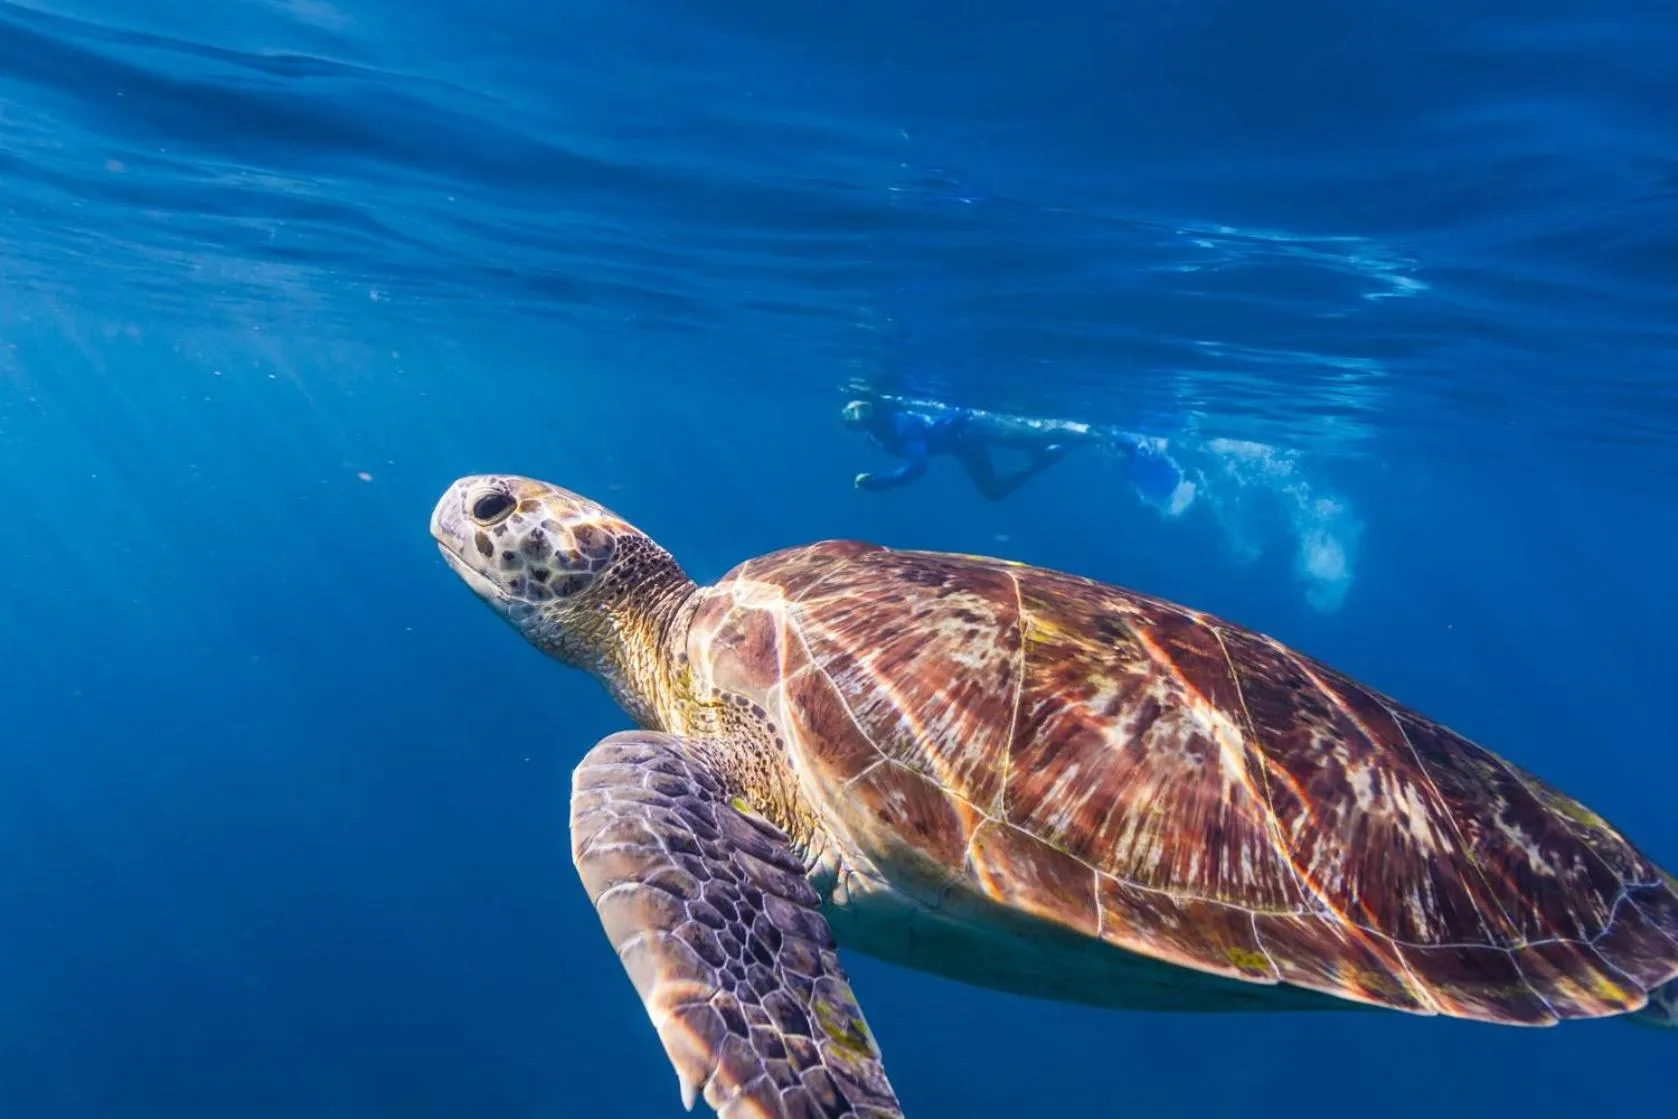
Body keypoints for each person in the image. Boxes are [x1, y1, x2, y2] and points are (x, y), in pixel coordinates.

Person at [841, 392, 1194, 511]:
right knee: (993, 492)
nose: (859, 419)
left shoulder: (899, 427)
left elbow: (917, 466)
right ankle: (1051, 457)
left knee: (1031, 439)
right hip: (961, 444)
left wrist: (883, 483)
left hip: (971, 426)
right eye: (852, 416)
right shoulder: (880, 431)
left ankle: (1104, 433)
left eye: (863, 411)